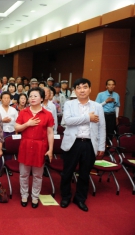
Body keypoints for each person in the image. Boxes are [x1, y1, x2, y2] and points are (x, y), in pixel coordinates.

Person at [60, 78, 105, 212]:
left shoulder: (97, 106)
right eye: (78, 88)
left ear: (90, 89)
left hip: (89, 144)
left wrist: (101, 147)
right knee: (67, 172)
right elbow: (67, 121)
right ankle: (66, 197)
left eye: (85, 87)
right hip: (73, 143)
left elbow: (102, 127)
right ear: (75, 90)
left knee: (85, 174)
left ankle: (80, 199)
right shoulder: (69, 104)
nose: (82, 90)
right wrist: (87, 118)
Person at [15, 87, 54, 208]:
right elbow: (16, 128)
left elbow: (50, 133)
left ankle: (35, 197)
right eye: (30, 96)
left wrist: (51, 149)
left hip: (40, 147)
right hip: (25, 146)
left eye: (35, 96)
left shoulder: (48, 114)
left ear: (42, 98)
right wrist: (27, 124)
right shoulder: (23, 112)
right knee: (24, 174)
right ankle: (24, 195)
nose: (32, 98)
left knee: (38, 175)